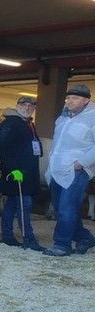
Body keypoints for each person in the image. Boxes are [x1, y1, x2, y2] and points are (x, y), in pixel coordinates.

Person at [43, 84, 95, 256]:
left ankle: (62, 245)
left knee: (67, 208)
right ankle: (85, 238)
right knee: (61, 209)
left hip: (76, 170)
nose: (70, 101)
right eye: (69, 98)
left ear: (86, 100)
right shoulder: (62, 118)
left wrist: (81, 163)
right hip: (57, 169)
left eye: (75, 98)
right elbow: (57, 144)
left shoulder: (92, 117)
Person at [0, 95, 44, 251]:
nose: (28, 107)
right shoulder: (11, 123)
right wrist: (13, 169)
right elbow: (3, 148)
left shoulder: (27, 123)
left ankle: (7, 237)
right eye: (24, 104)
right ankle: (28, 239)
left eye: (31, 105)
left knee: (11, 204)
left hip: (28, 172)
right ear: (17, 106)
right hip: (17, 172)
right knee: (25, 204)